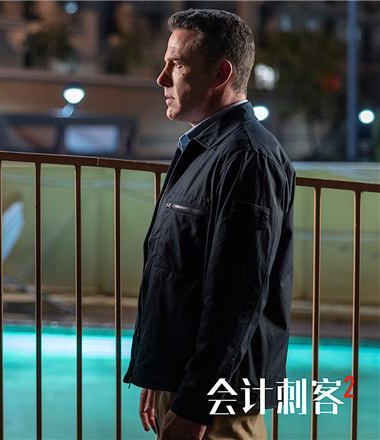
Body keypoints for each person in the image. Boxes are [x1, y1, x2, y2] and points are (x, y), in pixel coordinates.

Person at [124, 9, 295, 440]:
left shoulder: (247, 158)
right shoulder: (206, 149)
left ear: (221, 74)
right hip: (189, 383)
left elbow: (236, 297)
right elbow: (181, 270)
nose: (162, 78)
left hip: (216, 402)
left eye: (177, 64)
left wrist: (194, 405)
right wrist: (159, 369)